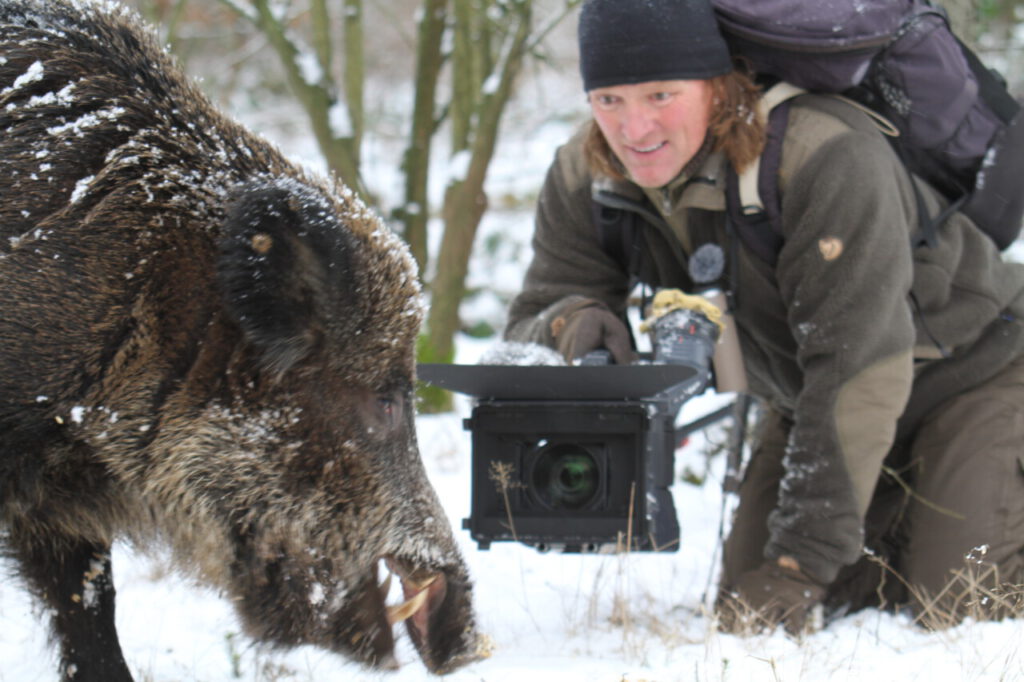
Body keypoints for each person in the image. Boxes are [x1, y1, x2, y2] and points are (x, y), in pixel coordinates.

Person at [504, 0, 1024, 634]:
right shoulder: (586, 173)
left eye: (661, 95)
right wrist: (571, 323)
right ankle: (914, 521)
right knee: (750, 611)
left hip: (978, 375)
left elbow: (856, 371)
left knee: (967, 602)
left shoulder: (823, 156)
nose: (634, 128)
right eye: (609, 100)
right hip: (812, 400)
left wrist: (798, 564)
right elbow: (537, 311)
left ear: (717, 85)